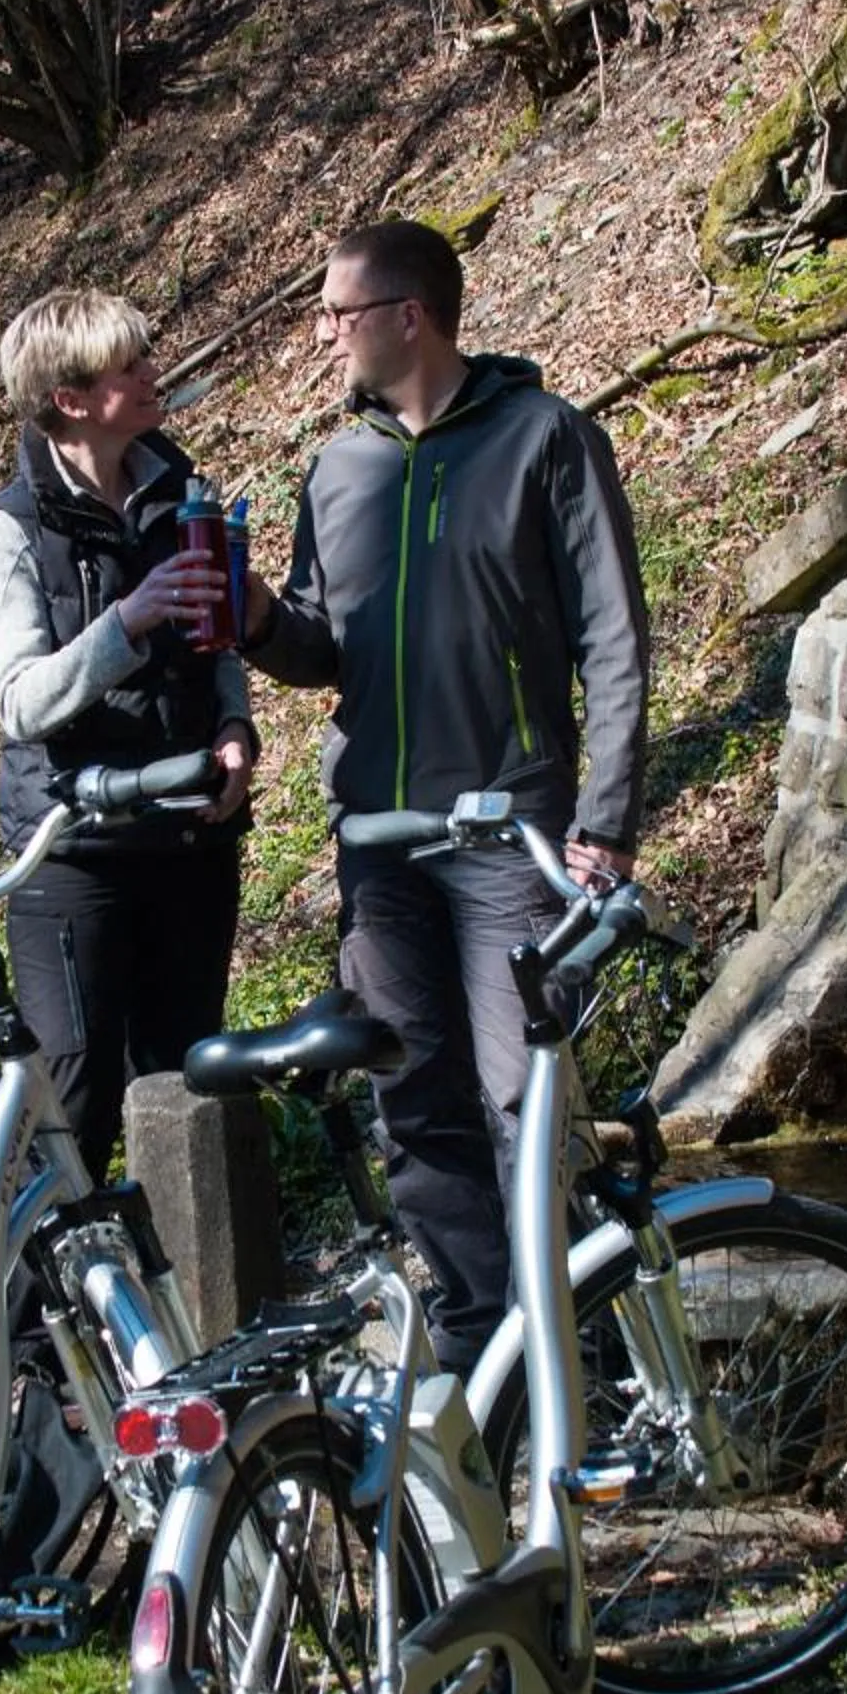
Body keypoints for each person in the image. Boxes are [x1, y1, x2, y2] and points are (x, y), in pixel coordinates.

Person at [237, 220, 652, 1373]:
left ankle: (587, 1371)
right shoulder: (339, 466)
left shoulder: (546, 440)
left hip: (512, 836)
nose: (323, 333)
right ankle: (489, 1370)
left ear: (407, 316)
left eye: (339, 312)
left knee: (528, 1113)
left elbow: (615, 641)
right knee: (415, 1108)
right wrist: (263, 621)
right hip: (377, 844)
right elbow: (329, 648)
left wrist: (604, 824)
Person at [0, 288, 257, 1187]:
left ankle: (174, 1322)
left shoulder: (180, 489)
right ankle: (22, 1326)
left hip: (188, 835)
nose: (150, 374)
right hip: (75, 854)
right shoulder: (14, 528)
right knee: (71, 1099)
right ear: (69, 397)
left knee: (182, 1087)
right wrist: (125, 625)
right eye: (128, 364)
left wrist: (236, 726)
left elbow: (217, 641)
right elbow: (20, 703)